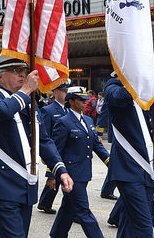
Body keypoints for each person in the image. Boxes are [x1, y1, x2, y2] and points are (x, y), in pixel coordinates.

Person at [0, 54, 73, 237]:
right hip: (2, 185)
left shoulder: (29, 102)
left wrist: (61, 170)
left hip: (26, 185)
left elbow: (43, 139)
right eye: (15, 71)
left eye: (24, 71)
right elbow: (0, 111)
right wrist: (27, 90)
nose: (22, 75)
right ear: (0, 76)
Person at [104, 74, 154, 237]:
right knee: (144, 226)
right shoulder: (112, 87)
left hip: (147, 168)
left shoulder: (143, 94)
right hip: (127, 168)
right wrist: (143, 77)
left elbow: (151, 129)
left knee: (128, 220)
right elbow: (120, 98)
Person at [49, 86, 109, 238]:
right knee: (83, 210)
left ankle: (57, 234)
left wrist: (110, 162)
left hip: (84, 172)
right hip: (70, 174)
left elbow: (96, 144)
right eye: (81, 100)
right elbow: (55, 150)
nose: (85, 103)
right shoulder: (63, 122)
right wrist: (51, 174)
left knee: (68, 207)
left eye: (86, 100)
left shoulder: (87, 120)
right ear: (71, 101)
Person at [37, 80, 71, 214]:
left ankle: (45, 202)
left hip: (68, 149)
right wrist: (45, 154)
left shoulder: (68, 109)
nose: (65, 93)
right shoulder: (48, 110)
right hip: (54, 148)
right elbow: (45, 133)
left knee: (60, 177)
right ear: (55, 92)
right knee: (55, 177)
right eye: (63, 91)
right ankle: (46, 202)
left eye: (67, 91)